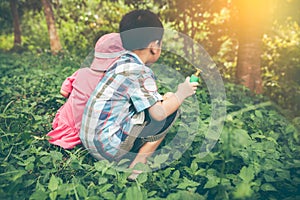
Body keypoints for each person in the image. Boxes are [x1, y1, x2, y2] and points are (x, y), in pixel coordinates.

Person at [80, 9, 198, 179]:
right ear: (154, 46)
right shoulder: (140, 71)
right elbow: (158, 114)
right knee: (169, 113)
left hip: (89, 141)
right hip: (106, 148)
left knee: (166, 100)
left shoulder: (120, 62)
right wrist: (181, 94)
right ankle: (136, 171)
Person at [47, 33, 125, 149]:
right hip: (89, 130)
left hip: (64, 123)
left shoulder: (81, 72)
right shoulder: (114, 82)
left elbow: (63, 92)